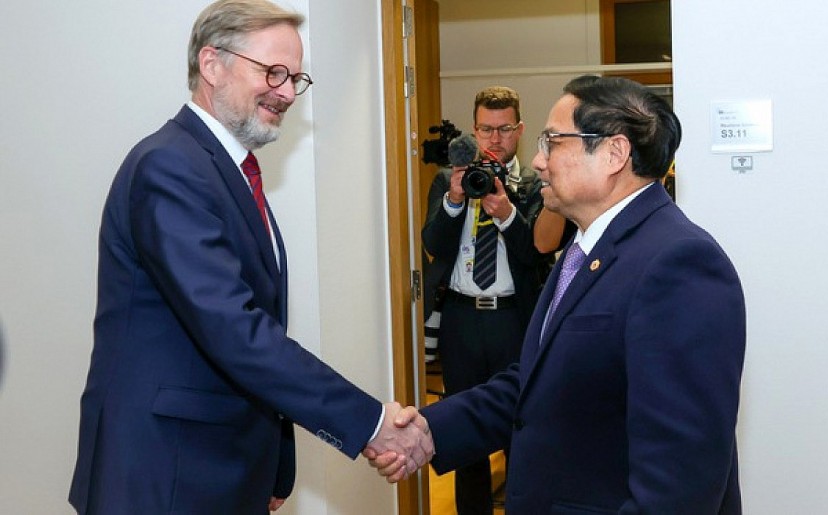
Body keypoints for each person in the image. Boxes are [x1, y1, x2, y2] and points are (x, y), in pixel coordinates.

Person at [68, 1, 432, 513]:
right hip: (165, 473)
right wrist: (370, 422)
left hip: (219, 467)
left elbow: (256, 328)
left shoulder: (226, 170)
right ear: (212, 64)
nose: (286, 92)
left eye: (296, 78)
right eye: (274, 72)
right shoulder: (170, 167)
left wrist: (275, 464)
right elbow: (233, 330)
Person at [372, 76, 747, 514]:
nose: (538, 160)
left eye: (552, 142)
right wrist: (429, 429)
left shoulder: (679, 264)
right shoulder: (587, 249)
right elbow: (537, 383)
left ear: (613, 153)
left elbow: (679, 481)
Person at [421, 86, 544, 514]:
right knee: (465, 432)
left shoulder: (533, 182)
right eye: (486, 129)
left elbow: (534, 253)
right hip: (461, 321)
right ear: (474, 130)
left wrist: (505, 210)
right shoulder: (447, 179)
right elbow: (433, 244)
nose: (495, 138)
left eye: (504, 129)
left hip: (514, 320)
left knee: (520, 430)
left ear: (519, 130)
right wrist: (456, 198)